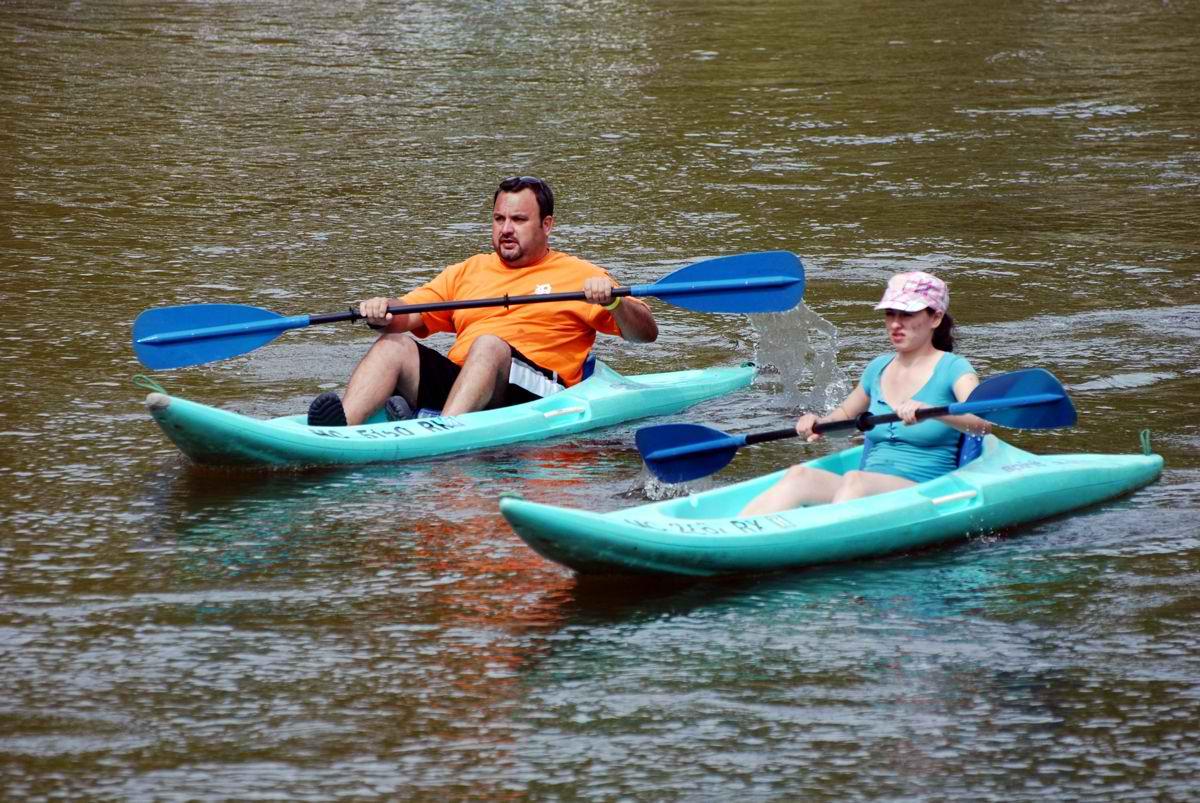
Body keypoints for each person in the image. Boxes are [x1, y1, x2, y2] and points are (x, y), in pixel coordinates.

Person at [307, 176, 658, 427]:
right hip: (469, 381)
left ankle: (438, 431)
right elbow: (406, 316)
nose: (506, 228)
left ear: (546, 225)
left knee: (489, 345)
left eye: (519, 220)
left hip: (542, 394)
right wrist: (382, 312)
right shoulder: (467, 271)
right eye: (499, 218)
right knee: (393, 345)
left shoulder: (580, 274)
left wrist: (614, 303)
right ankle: (338, 430)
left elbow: (645, 333)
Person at [740, 271, 991, 516]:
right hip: (864, 485)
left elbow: (983, 424)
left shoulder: (954, 368)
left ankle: (816, 542)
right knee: (799, 475)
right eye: (890, 313)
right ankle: (739, 535)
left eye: (906, 314)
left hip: (923, 490)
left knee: (856, 482)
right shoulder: (877, 368)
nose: (895, 324)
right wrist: (819, 424)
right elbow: (845, 420)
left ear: (935, 318)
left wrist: (933, 413)